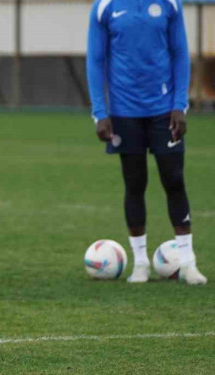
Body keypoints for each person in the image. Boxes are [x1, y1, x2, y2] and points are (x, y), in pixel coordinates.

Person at [87, 0, 205, 285]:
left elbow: (179, 53)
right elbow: (95, 59)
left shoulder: (170, 4)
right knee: (134, 183)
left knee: (174, 179)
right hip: (124, 113)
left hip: (165, 111)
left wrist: (180, 104)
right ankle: (140, 263)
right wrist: (100, 112)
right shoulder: (105, 7)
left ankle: (188, 263)